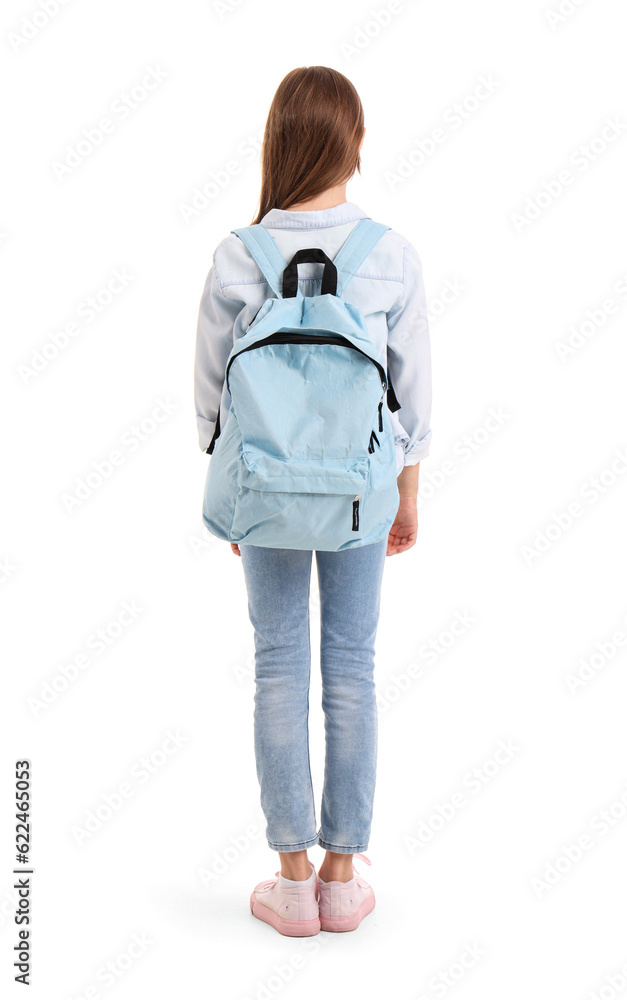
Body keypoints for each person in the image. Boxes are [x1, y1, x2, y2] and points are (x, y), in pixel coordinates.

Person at [194, 66, 432, 936]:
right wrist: (407, 494)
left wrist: (239, 492)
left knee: (278, 666)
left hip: (264, 489)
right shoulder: (390, 255)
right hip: (361, 494)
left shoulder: (236, 254)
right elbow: (413, 397)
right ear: (353, 144)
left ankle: (289, 879)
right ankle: (343, 871)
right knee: (352, 670)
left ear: (278, 144)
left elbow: (210, 397)